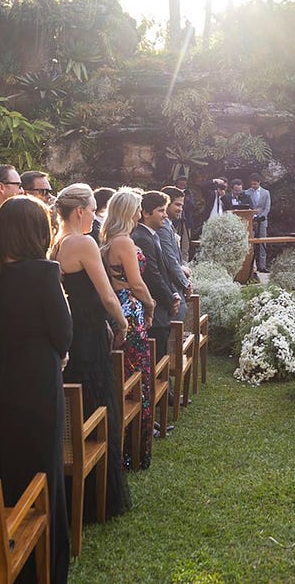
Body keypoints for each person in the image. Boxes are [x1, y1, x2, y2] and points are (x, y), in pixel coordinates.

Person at [0, 195, 71, 582]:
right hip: (36, 382)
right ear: (37, 231)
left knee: (7, 468)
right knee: (43, 472)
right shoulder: (44, 272)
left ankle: (9, 554)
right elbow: (63, 333)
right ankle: (44, 564)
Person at [52, 183, 132, 521]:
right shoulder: (83, 242)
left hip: (72, 336)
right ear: (82, 211)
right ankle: (101, 498)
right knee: (99, 406)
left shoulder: (55, 244)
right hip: (90, 335)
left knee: (75, 414)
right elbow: (107, 295)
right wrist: (122, 323)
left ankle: (75, 495)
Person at [102, 188, 156, 468]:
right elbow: (135, 283)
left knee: (130, 373)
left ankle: (130, 448)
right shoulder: (123, 241)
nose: (140, 212)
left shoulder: (112, 239)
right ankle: (133, 452)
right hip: (130, 310)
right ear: (128, 211)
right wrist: (150, 304)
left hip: (124, 306)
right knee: (137, 374)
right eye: (137, 207)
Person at [134, 191, 179, 365]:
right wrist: (169, 300)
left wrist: (173, 294)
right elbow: (152, 276)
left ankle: (165, 388)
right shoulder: (142, 237)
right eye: (161, 210)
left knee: (161, 357)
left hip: (161, 305)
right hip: (154, 306)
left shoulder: (151, 235)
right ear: (146, 213)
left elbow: (164, 271)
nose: (165, 215)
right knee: (157, 360)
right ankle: (161, 389)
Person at [159, 186, 192, 306]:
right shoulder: (162, 228)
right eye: (177, 205)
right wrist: (186, 283)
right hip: (170, 287)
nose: (180, 209)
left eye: (182, 206)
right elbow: (170, 259)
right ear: (166, 204)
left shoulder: (168, 224)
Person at [245, 175, 272, 272]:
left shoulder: (266, 193)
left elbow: (267, 207)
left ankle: (262, 265)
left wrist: (262, 216)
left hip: (262, 220)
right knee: (250, 242)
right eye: (252, 184)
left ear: (259, 182)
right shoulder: (246, 192)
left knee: (262, 242)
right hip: (251, 220)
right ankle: (250, 266)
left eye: (255, 184)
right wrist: (252, 216)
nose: (253, 185)